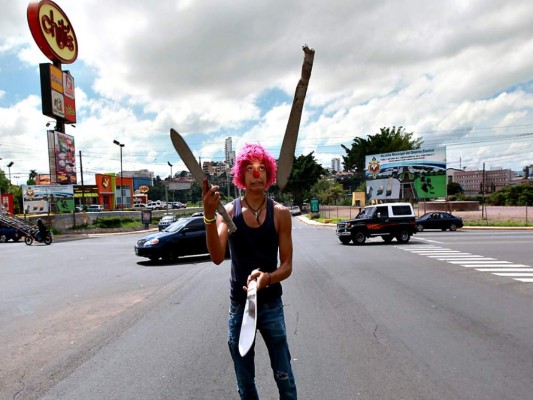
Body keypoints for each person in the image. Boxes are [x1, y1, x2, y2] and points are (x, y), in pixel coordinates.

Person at [202, 143, 297, 399]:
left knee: (285, 377)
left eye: (263, 168)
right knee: (245, 382)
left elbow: (287, 266)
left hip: (271, 306)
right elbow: (217, 256)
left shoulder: (280, 213)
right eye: (251, 169)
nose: (257, 174)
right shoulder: (229, 212)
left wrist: (268, 278)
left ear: (270, 175)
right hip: (239, 307)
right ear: (241, 175)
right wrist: (209, 217)